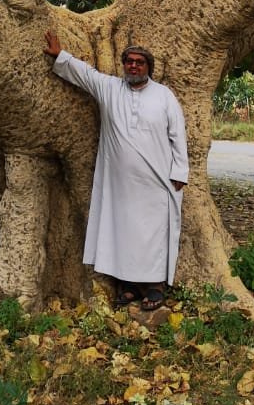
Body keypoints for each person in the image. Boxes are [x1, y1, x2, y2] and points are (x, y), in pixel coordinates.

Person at [44, 30, 189, 310]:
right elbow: (84, 74)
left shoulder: (164, 96)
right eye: (129, 62)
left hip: (157, 182)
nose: (133, 66)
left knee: (153, 235)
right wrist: (60, 55)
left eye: (139, 62)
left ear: (149, 68)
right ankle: (129, 287)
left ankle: (156, 286)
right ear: (124, 65)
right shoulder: (109, 88)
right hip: (120, 185)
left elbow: (178, 136)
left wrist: (180, 173)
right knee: (123, 232)